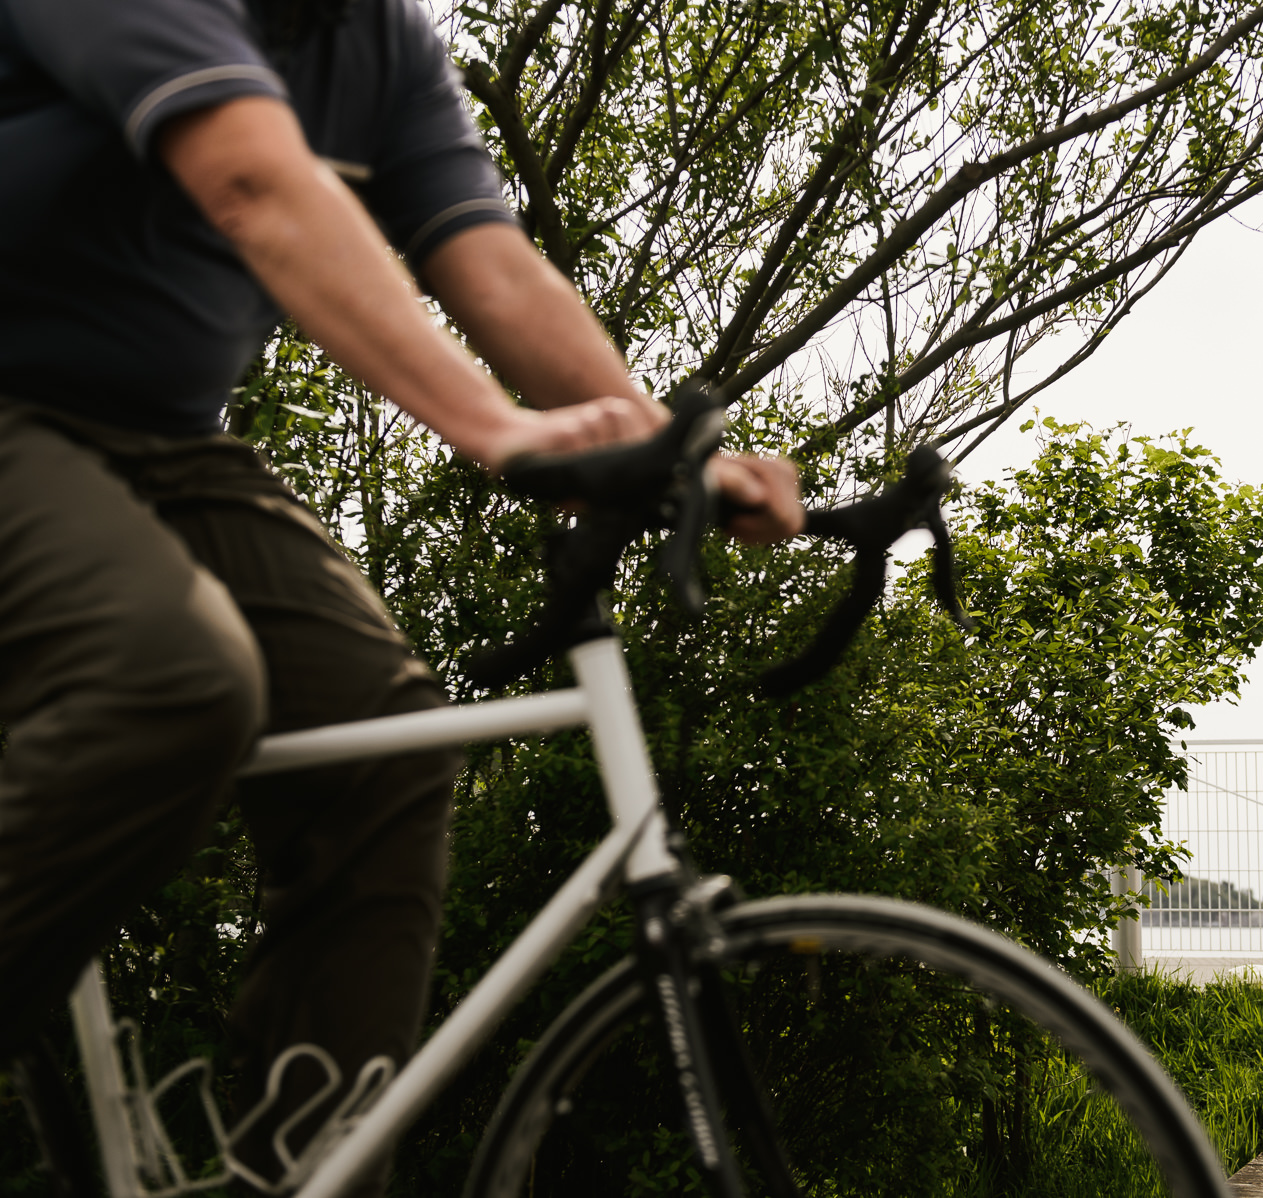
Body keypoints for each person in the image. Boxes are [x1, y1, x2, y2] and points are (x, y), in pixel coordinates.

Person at [0, 0, 802, 1187]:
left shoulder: (373, 44)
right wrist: (493, 426)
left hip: (155, 442)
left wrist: (666, 453)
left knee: (387, 742)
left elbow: (495, 269)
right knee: (169, 676)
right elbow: (253, 179)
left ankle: (297, 1175)